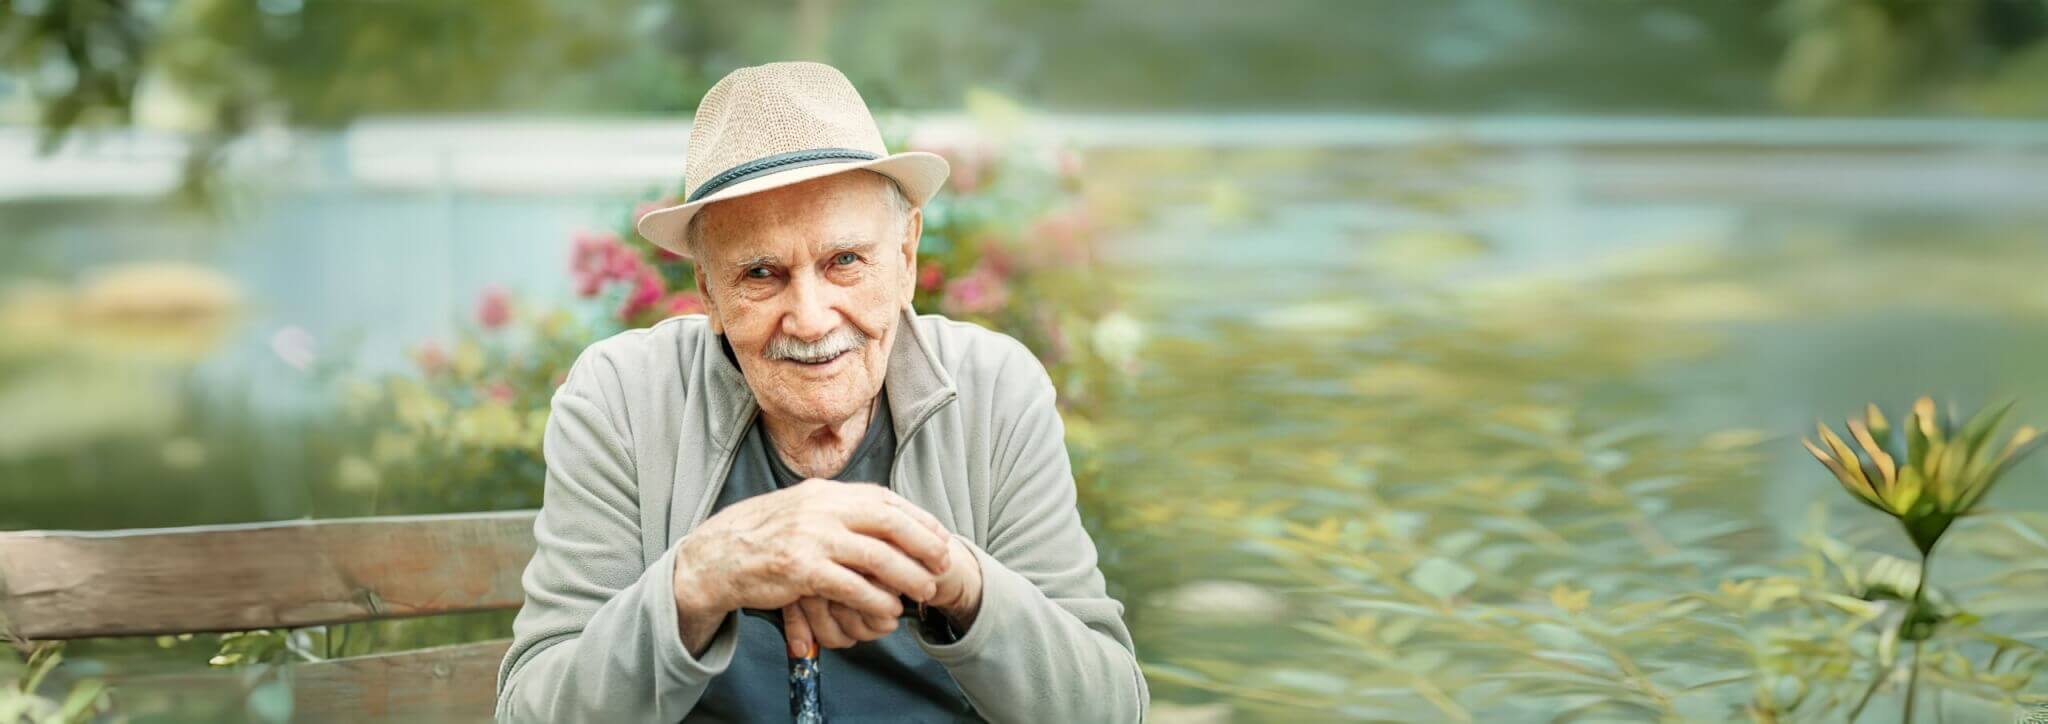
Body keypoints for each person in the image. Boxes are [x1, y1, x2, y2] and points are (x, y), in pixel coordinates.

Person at [494, 61, 1148, 723]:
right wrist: (696, 581)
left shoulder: (996, 390)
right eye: (760, 273)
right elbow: (530, 711)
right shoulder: (621, 403)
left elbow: (1109, 707)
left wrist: (956, 580)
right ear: (709, 291)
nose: (810, 318)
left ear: (906, 257)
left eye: (844, 261)